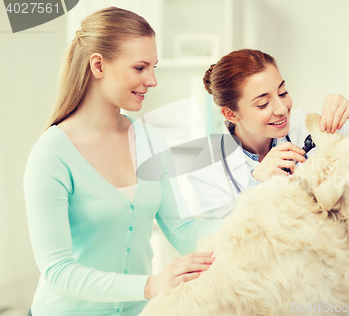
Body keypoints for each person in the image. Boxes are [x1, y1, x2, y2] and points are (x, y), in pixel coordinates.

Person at [23, 7, 213, 316]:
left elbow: (182, 230)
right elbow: (58, 272)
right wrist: (150, 286)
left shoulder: (152, 141)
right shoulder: (52, 154)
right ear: (98, 65)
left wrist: (256, 220)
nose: (152, 80)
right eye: (139, 68)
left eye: (153, 67)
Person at [162, 49, 349, 252]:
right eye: (263, 103)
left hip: (326, 264)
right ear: (230, 113)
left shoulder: (311, 129)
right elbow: (228, 239)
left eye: (283, 92)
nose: (282, 108)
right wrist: (258, 181)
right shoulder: (208, 163)